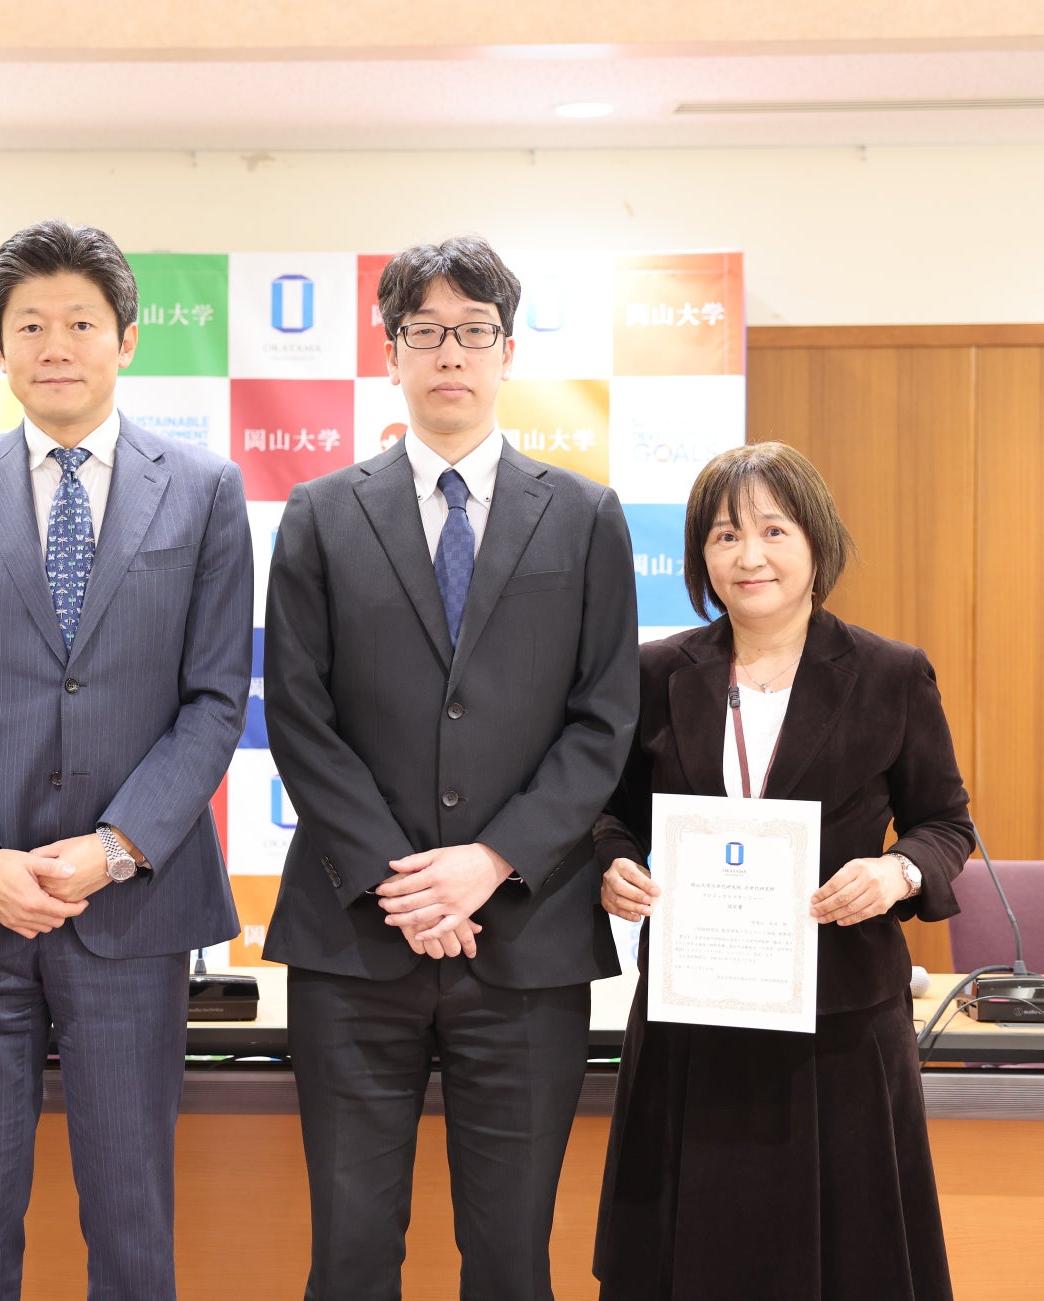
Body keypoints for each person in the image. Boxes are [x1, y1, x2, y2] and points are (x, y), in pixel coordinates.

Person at [0, 219, 252, 1301]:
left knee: (132, 1222)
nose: (56, 345)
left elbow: (215, 699)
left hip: (134, 910)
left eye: (81, 322)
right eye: (30, 324)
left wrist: (116, 846)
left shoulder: (205, 488)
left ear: (126, 339)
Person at [262, 235, 640, 1301]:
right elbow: (299, 715)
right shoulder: (321, 514)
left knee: (513, 1256)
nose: (450, 353)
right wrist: (404, 881)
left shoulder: (586, 516)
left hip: (527, 935)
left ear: (508, 350)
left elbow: (603, 719)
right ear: (390, 353)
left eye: (474, 331)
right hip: (354, 938)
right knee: (350, 1254)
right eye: (424, 331)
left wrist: (489, 860)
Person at [594, 441, 970, 1300]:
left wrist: (898, 873)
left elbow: (945, 823)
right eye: (726, 535)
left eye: (773, 530)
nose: (749, 555)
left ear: (816, 542)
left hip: (840, 1027)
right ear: (701, 556)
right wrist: (612, 862)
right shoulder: (656, 673)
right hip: (693, 1021)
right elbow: (608, 813)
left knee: (848, 1264)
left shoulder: (890, 673)